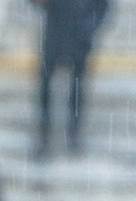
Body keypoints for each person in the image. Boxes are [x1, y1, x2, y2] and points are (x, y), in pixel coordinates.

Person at [32, 0, 112, 157]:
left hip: (79, 33)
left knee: (77, 85)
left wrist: (90, 27)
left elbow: (104, 7)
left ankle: (73, 132)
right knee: (46, 83)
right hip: (55, 30)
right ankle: (44, 131)